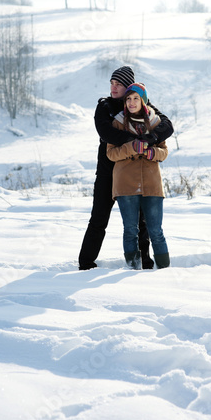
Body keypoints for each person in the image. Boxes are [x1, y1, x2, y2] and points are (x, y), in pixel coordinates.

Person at [78, 66, 173, 270]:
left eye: (119, 84)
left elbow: (167, 125)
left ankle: (145, 263)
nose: (114, 88)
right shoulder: (105, 107)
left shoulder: (139, 104)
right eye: (112, 83)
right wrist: (137, 141)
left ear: (129, 87)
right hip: (108, 173)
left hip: (133, 175)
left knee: (141, 224)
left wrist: (152, 138)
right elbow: (107, 133)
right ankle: (85, 263)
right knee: (99, 219)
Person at [107, 83, 170, 269]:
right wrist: (131, 148)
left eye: (136, 98)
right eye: (128, 99)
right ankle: (132, 272)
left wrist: (152, 153)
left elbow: (164, 152)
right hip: (125, 183)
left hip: (152, 183)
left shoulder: (156, 122)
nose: (131, 102)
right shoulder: (118, 122)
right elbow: (111, 154)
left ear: (143, 100)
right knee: (130, 230)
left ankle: (165, 271)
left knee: (156, 231)